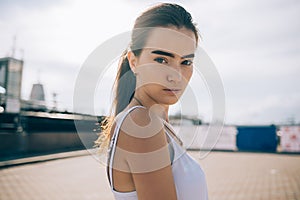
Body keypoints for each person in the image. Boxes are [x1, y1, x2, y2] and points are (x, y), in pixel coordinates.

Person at [95, 3, 208, 200]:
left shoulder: (151, 122)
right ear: (133, 61)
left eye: (186, 62)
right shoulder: (141, 124)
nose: (176, 76)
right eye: (162, 60)